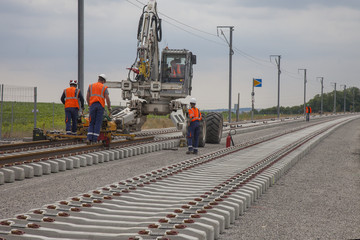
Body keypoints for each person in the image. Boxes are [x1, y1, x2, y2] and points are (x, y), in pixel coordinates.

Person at [86, 74, 111, 143]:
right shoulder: (104, 87)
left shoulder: (91, 86)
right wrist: (109, 107)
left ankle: (89, 138)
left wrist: (89, 105)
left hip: (92, 105)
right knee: (98, 123)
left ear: (98, 79)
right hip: (100, 106)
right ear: (103, 81)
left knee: (91, 122)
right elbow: (107, 98)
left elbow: (87, 97)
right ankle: (94, 140)